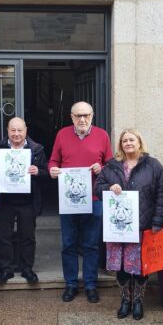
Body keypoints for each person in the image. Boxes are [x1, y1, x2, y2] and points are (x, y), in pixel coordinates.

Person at [95, 129, 163, 320]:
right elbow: (97, 186)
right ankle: (124, 300)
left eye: (131, 140)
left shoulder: (153, 166)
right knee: (120, 266)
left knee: (139, 266)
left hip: (141, 226)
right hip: (117, 229)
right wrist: (109, 187)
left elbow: (162, 194)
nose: (128, 143)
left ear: (139, 142)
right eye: (124, 140)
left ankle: (138, 301)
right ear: (120, 145)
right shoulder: (112, 166)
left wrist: (158, 221)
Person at [49, 101, 113, 303]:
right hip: (68, 200)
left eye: (86, 115)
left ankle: (91, 285)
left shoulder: (102, 135)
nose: (82, 119)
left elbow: (111, 165)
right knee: (68, 244)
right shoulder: (62, 135)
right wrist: (52, 170)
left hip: (94, 199)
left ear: (92, 116)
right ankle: (70, 285)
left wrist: (101, 168)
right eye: (78, 116)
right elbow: (53, 161)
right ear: (72, 117)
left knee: (91, 245)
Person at [0, 117, 48, 284]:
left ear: (25, 131)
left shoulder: (37, 150)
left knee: (28, 237)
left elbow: (47, 173)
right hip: (5, 201)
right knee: (4, 237)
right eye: (13, 130)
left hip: (28, 201)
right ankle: (6, 269)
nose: (16, 134)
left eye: (20, 130)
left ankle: (27, 268)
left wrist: (38, 171)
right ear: (7, 131)